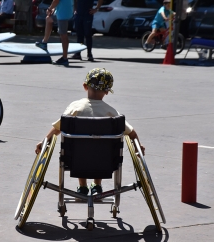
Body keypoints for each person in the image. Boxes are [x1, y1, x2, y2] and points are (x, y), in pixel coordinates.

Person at [35, 68, 145, 197]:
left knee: (80, 148)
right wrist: (138, 147)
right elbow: (132, 133)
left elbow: (58, 128)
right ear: (107, 91)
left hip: (75, 160)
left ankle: (82, 187)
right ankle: (97, 186)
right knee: (101, 149)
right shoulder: (112, 113)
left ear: (85, 86)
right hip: (106, 162)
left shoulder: (75, 107)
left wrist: (44, 141)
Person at [35, 0, 74, 66]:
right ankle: (44, 42)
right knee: (48, 19)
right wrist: (53, 8)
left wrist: (49, 9)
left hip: (63, 14)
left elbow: (56, 1)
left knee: (63, 35)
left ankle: (64, 58)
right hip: (65, 11)